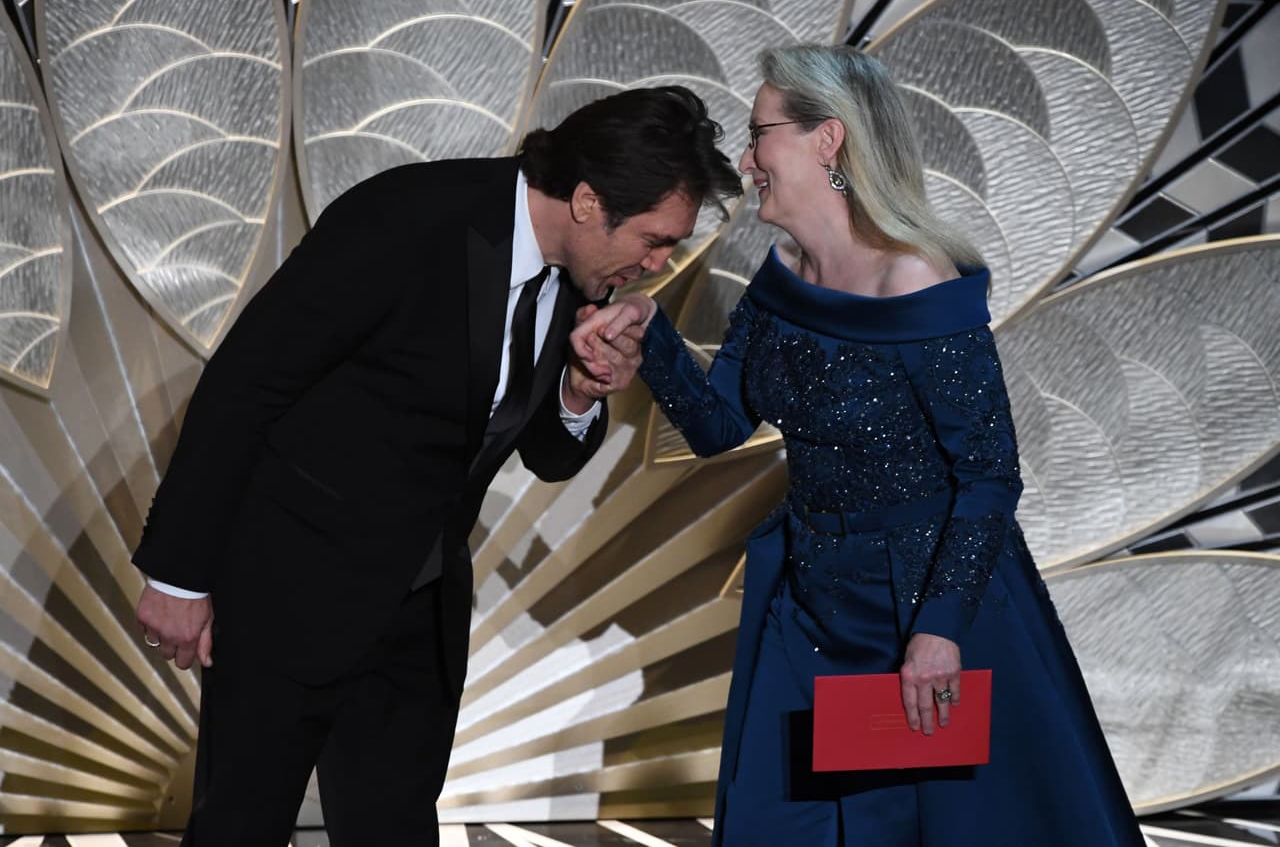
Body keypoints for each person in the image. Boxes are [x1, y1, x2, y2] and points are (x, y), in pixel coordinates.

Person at [132, 86, 743, 846]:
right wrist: (178, 573)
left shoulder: (575, 282)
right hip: (289, 590)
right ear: (589, 200)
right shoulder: (407, 217)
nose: (658, 264)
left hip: (419, 613)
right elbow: (246, 382)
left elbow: (548, 454)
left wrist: (580, 391)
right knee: (239, 827)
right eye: (655, 240)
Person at [573, 46, 1143, 847]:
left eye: (759, 132)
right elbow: (718, 428)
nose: (745, 159)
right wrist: (651, 335)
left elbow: (987, 477)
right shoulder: (782, 278)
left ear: (826, 140)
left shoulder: (917, 280)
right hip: (809, 607)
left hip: (931, 611)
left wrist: (939, 634)